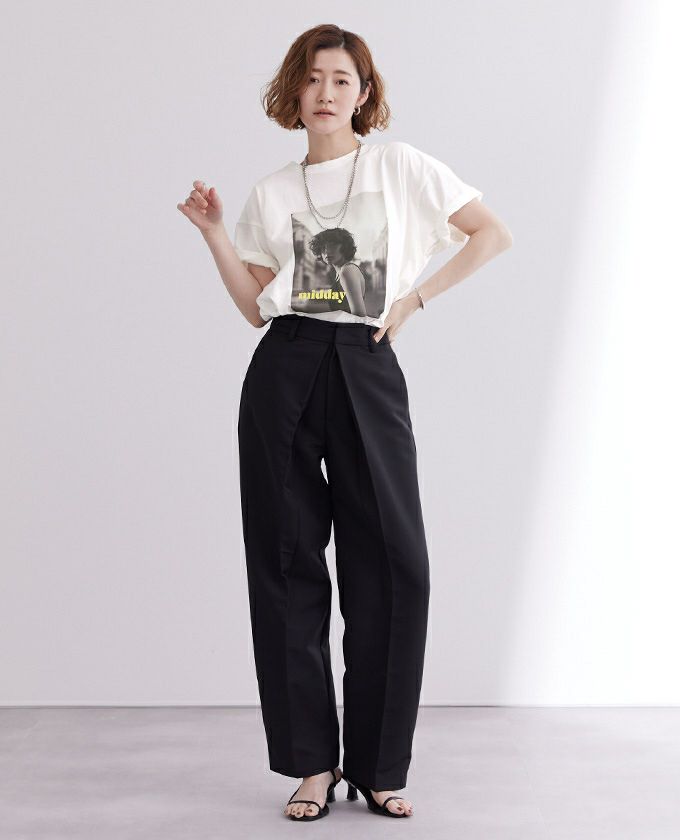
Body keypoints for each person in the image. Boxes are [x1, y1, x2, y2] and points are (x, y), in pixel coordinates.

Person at [177, 23, 513, 822]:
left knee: (396, 565)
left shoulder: (399, 167)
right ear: (293, 91)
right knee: (286, 563)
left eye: (341, 80)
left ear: (363, 94)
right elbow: (254, 308)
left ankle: (380, 767)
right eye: (312, 78)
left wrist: (413, 300)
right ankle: (312, 766)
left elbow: (491, 233)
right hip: (286, 365)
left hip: (366, 361)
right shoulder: (272, 192)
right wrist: (215, 235)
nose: (325, 93)